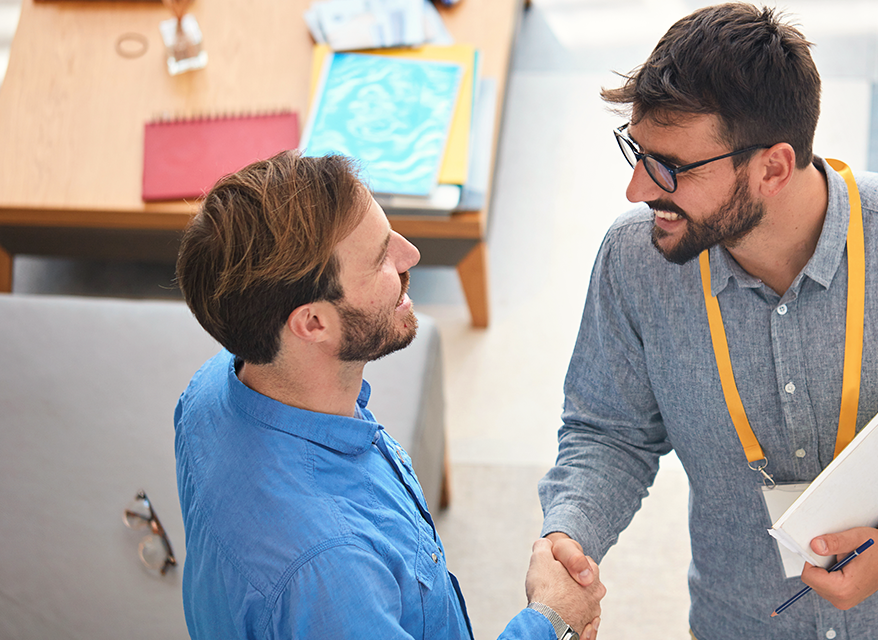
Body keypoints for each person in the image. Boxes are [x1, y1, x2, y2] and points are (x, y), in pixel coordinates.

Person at [536, 3, 878, 639]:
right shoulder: (635, 263)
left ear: (772, 167)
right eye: (637, 151)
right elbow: (608, 431)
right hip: (743, 623)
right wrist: (568, 533)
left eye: (671, 169)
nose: (637, 189)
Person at [174, 151, 604, 640]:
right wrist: (551, 621)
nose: (410, 255)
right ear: (313, 322)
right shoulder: (334, 572)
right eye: (380, 257)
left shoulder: (211, 390)